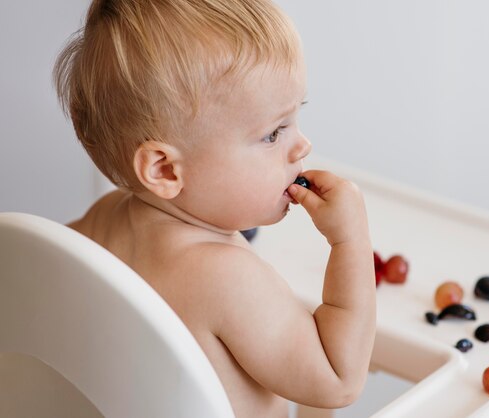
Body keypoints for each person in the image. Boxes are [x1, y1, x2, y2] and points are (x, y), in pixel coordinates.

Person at [54, 1, 376, 416]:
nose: (303, 145)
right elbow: (338, 378)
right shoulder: (228, 276)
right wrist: (350, 240)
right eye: (273, 133)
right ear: (165, 169)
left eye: (297, 117)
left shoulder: (103, 220)